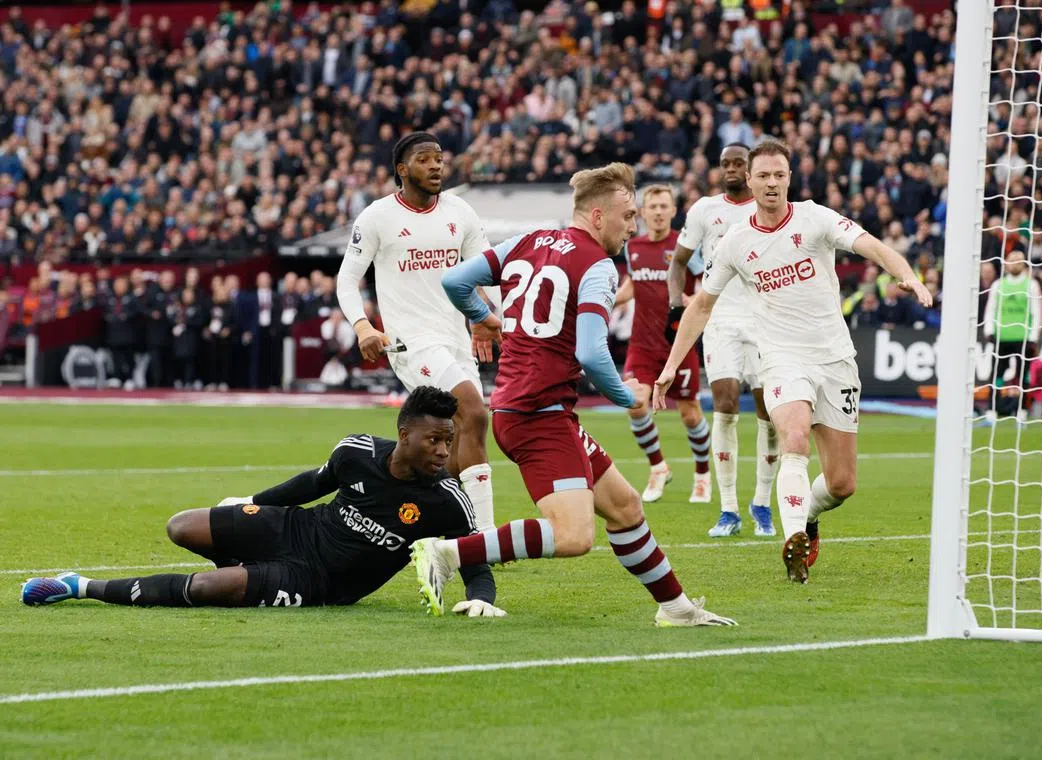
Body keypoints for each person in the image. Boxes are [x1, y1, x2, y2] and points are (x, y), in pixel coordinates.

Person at [419, 162, 735, 627]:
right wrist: (628, 398)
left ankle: (677, 609)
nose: (634, 225)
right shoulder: (598, 266)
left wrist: (487, 318)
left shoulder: (527, 241)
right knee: (573, 536)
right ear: (598, 215)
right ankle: (446, 553)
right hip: (537, 414)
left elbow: (455, 282)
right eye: (628, 215)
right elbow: (590, 351)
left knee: (625, 506)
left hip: (528, 406)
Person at [654, 139, 932, 583]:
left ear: (789, 178)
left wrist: (907, 276)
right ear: (749, 179)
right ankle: (795, 541)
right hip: (782, 359)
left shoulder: (815, 218)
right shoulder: (735, 241)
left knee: (841, 483)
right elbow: (702, 305)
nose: (770, 183)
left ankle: (810, 519)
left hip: (835, 358)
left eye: (778, 175)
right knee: (795, 439)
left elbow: (871, 246)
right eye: (762, 175)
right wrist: (671, 365)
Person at [22, 387, 503, 616]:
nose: (444, 452)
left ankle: (79, 586)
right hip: (296, 529)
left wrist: (480, 600)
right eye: (435, 440)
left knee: (210, 590)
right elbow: (310, 486)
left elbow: (475, 560)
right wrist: (252, 501)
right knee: (182, 526)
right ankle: (247, 571)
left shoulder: (447, 502)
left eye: (449, 441)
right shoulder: (357, 452)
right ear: (404, 434)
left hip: (317, 580)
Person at [336, 131, 497, 532]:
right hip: (412, 343)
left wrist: (492, 317)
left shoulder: (460, 211)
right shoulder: (377, 217)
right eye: (425, 159)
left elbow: (489, 274)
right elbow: (346, 280)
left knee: (455, 436)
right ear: (402, 170)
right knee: (474, 414)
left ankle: (445, 528)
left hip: (455, 338)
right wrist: (362, 326)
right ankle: (483, 535)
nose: (436, 165)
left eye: (439, 158)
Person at [666, 143, 779, 539]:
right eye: (725, 164)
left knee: (770, 412)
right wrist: (675, 305)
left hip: (765, 319)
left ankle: (762, 504)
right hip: (720, 319)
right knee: (726, 403)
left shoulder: (768, 206)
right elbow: (678, 261)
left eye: (738, 164)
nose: (731, 169)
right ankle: (729, 508)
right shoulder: (703, 211)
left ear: (750, 171)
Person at [613, 185, 711, 504]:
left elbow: (708, 285)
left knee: (690, 414)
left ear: (673, 211)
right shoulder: (634, 246)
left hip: (678, 343)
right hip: (642, 344)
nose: (657, 212)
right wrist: (608, 302)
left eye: (663, 206)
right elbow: (632, 284)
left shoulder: (685, 247)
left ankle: (702, 475)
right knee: (634, 403)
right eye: (652, 206)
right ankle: (658, 467)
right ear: (642, 212)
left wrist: (693, 300)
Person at [982, 249, 1042, 420]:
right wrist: (989, 330)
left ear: (1024, 264)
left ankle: (1022, 410)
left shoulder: (1031, 285)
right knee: (996, 374)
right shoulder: (998, 285)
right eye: (1011, 260)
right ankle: (992, 409)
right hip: (1002, 336)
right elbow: (991, 309)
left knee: (1023, 375)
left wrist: (1033, 336)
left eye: (1018, 260)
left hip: (1023, 337)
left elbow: (1037, 312)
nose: (1014, 263)